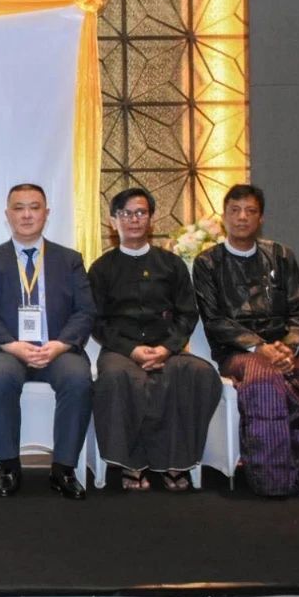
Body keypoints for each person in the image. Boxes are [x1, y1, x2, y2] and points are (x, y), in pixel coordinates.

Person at [192, 184, 299, 498]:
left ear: (261, 218)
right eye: (235, 211)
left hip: (287, 348)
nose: (242, 217)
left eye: (250, 211)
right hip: (238, 351)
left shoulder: (281, 255)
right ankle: (273, 480)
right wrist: (259, 347)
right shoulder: (207, 263)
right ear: (224, 217)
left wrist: (288, 347)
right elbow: (215, 320)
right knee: (264, 382)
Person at [88, 188, 221, 492]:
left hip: (167, 347)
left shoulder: (171, 264)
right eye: (126, 213)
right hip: (121, 350)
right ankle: (131, 463)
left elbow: (187, 314)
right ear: (113, 222)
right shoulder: (101, 268)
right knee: (117, 378)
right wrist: (132, 350)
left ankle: (177, 460)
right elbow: (96, 321)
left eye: (141, 213)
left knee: (198, 374)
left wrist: (166, 348)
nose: (134, 219)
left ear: (151, 219)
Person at [0, 183, 96, 499]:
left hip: (57, 349)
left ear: (46, 213)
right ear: (7, 215)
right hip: (7, 349)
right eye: (19, 208)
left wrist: (61, 344)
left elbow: (85, 310)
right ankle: (9, 466)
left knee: (78, 378)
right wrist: (12, 345)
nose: (26, 215)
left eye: (34, 207)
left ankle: (63, 469)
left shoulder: (69, 260)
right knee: (0, 377)